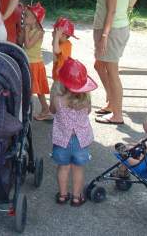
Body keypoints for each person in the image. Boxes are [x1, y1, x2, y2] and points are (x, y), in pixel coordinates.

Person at [90, 0, 131, 126]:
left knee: (112, 71)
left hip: (112, 30)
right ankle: (111, 103)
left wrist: (105, 36)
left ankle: (117, 115)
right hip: (110, 28)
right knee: (99, 65)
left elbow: (112, 11)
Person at [50, 58, 97, 207]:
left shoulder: (57, 99)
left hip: (61, 140)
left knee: (63, 168)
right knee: (78, 169)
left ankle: (63, 196)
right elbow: (88, 111)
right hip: (80, 141)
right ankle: (77, 198)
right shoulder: (85, 100)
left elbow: (52, 111)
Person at [22, 3, 51, 120]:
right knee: (36, 90)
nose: (24, 18)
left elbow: (28, 45)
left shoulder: (39, 32)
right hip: (29, 61)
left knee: (33, 89)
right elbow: (21, 42)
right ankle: (45, 109)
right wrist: (23, 32)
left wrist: (26, 32)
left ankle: (27, 111)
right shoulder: (29, 29)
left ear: (35, 19)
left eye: (27, 16)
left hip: (34, 63)